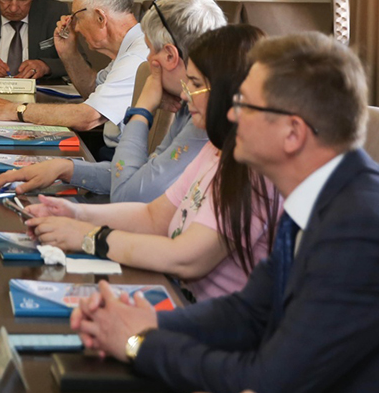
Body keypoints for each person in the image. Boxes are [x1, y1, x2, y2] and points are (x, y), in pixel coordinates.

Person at [71, 32, 379, 393]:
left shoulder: (357, 227)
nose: (231, 114)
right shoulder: (321, 194)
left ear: (293, 133)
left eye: (246, 105)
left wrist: (138, 343)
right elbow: (247, 313)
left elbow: (267, 379)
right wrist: (148, 323)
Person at [26, 25, 280, 301]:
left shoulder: (254, 170)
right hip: (180, 297)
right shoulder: (213, 149)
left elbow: (185, 258)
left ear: (228, 90)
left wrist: (89, 236)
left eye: (196, 84)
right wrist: (76, 214)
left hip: (206, 313)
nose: (185, 95)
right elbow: (153, 217)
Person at [0, 0, 226, 202]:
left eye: (151, 50)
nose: (148, 59)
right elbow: (136, 175)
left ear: (171, 56)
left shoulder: (203, 118)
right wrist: (64, 168)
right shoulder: (190, 105)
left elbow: (129, 193)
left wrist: (141, 110)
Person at [0, 0, 150, 151]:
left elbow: (88, 117)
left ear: (100, 18)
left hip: (122, 159)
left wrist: (13, 110)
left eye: (78, 19)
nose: (76, 28)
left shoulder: (137, 56)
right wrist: (69, 53)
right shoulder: (130, 48)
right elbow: (93, 91)